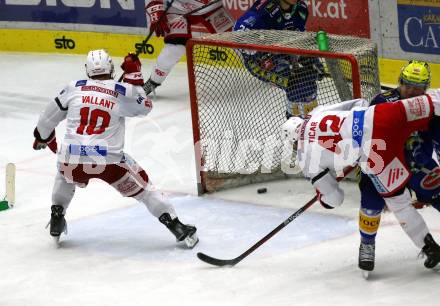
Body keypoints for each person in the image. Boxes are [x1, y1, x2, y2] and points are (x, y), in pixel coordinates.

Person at [32, 49, 198, 248]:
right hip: (108, 161)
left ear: (87, 70)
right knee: (145, 190)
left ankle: (57, 213)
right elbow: (144, 106)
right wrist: (134, 77)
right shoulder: (122, 90)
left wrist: (43, 137)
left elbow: (46, 119)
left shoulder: (74, 87)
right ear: (111, 67)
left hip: (72, 157)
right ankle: (176, 226)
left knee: (65, 173)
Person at [281, 89, 440, 272]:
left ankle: (429, 248)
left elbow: (335, 199)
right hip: (378, 117)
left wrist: (322, 196)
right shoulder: (315, 113)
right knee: (429, 102)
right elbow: (360, 103)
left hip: (373, 154)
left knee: (399, 202)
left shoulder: (305, 159)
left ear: (293, 142)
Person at [357, 60, 440, 273]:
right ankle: (367, 244)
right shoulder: (382, 101)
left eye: (417, 87)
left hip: (417, 164)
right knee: (371, 203)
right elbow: (367, 135)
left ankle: (430, 248)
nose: (411, 91)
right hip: (385, 164)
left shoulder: (429, 107)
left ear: (426, 88)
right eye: (407, 85)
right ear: (399, 82)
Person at [234, 0, 324, 118]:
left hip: (283, 55)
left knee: (309, 76)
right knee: (296, 84)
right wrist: (257, 50)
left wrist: (311, 60)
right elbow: (237, 34)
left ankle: (310, 122)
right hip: (260, 62)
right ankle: (293, 125)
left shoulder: (301, 9)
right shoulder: (265, 10)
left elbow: (298, 40)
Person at [143, 0, 234, 95]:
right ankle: (153, 82)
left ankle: (249, 57)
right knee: (174, 49)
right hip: (177, 8)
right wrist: (155, 9)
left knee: (235, 38)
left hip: (211, 6)